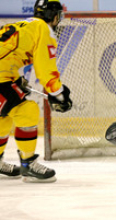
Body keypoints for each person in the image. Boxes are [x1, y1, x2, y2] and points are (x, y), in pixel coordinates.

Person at [0, 0, 72, 183]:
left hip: (3, 77)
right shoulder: (43, 29)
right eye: (58, 16)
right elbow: (45, 68)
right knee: (28, 111)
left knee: (5, 116)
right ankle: (28, 164)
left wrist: (14, 79)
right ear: (53, 16)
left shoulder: (23, 25)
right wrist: (58, 93)